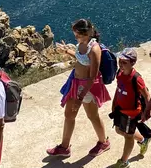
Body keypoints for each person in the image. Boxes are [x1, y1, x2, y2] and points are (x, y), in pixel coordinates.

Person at [47, 18, 111, 158]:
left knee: (92, 116)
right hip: (75, 83)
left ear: (87, 33)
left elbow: (93, 77)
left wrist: (80, 98)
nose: (75, 37)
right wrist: (67, 51)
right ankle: (64, 147)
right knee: (69, 115)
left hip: (87, 87)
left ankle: (104, 142)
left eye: (78, 35)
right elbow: (80, 58)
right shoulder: (82, 43)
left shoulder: (94, 49)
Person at [108, 48, 151, 168]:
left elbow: (147, 95)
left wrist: (146, 112)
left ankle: (124, 161)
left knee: (128, 136)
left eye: (124, 62)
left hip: (131, 113)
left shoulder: (136, 79)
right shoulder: (120, 73)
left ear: (132, 63)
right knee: (118, 130)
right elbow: (119, 89)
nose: (121, 64)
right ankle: (143, 140)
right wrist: (114, 103)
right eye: (120, 61)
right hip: (120, 109)